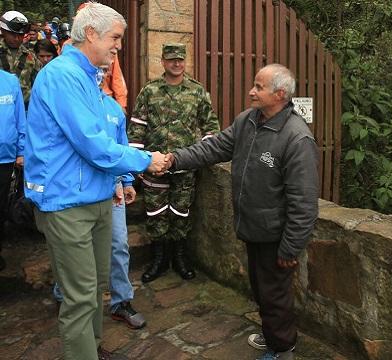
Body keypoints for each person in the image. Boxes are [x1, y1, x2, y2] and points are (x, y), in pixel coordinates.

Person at [23, 3, 164, 359]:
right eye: (115, 37)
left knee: (98, 286)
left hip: (97, 198)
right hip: (67, 203)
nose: (118, 46)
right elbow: (93, 144)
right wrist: (146, 160)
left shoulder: (88, 78)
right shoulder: (62, 76)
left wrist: (120, 179)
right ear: (91, 33)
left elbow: (107, 137)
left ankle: (93, 348)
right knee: (81, 295)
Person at [162, 64, 319, 360]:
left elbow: (305, 203)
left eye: (259, 87)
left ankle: (283, 349)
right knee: (261, 291)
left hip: (276, 236)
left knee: (275, 296)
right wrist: (174, 159)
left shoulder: (296, 138)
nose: (251, 91)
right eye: (254, 85)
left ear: (281, 94)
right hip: (252, 227)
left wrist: (291, 247)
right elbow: (214, 148)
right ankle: (274, 335)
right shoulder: (248, 121)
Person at [52, 79, 147, 331]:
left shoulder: (114, 109)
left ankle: (121, 301)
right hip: (77, 190)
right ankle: (65, 295)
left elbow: (120, 146)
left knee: (119, 243)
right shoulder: (72, 103)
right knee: (72, 248)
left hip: (111, 188)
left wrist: (127, 181)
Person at [129, 42, 219, 283]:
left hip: (184, 166)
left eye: (180, 59)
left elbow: (211, 127)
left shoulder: (197, 91)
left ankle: (179, 257)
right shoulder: (149, 91)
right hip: (154, 167)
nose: (177, 64)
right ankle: (159, 259)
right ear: (163, 61)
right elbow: (137, 127)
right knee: (155, 212)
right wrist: (138, 163)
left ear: (185, 61)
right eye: (171, 60)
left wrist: (203, 155)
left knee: (181, 211)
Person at [0, 69, 26, 272]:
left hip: (5, 157)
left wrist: (21, 151)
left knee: (1, 207)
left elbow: (20, 118)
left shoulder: (10, 81)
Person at [0, 10, 41, 108]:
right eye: (13, 34)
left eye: (21, 35)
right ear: (3, 31)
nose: (17, 38)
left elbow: (39, 83)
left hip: (25, 108)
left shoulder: (30, 57)